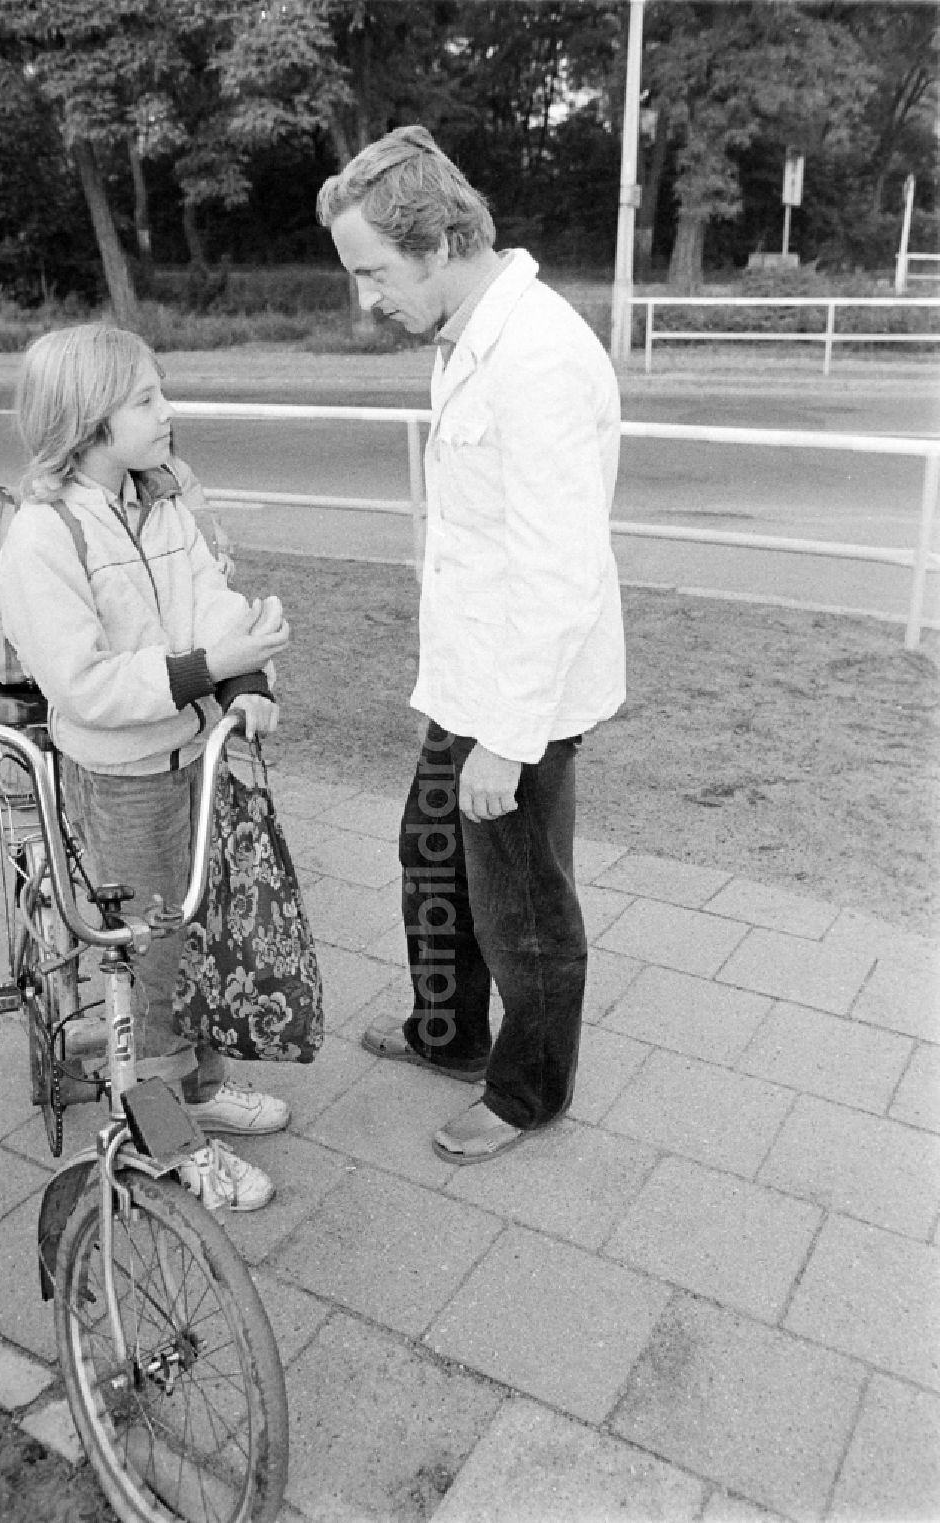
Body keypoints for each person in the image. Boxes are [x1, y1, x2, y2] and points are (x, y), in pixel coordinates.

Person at [316, 126, 626, 1165]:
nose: (368, 300)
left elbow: (556, 568)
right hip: (467, 681)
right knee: (433, 863)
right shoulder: (471, 335)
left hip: (516, 702)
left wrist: (506, 738)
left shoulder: (535, 356)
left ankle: (528, 1092)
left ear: (442, 239)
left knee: (522, 906)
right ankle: (446, 1034)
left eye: (373, 273)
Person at [0, 323, 291, 1211]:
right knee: (148, 960)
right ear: (88, 422)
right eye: (147, 400)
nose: (169, 413)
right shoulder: (43, 538)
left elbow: (210, 601)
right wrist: (208, 669)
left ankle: (192, 1087)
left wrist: (246, 670)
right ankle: (167, 1140)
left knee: (191, 938)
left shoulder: (159, 503)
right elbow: (83, 687)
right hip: (123, 781)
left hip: (190, 753)